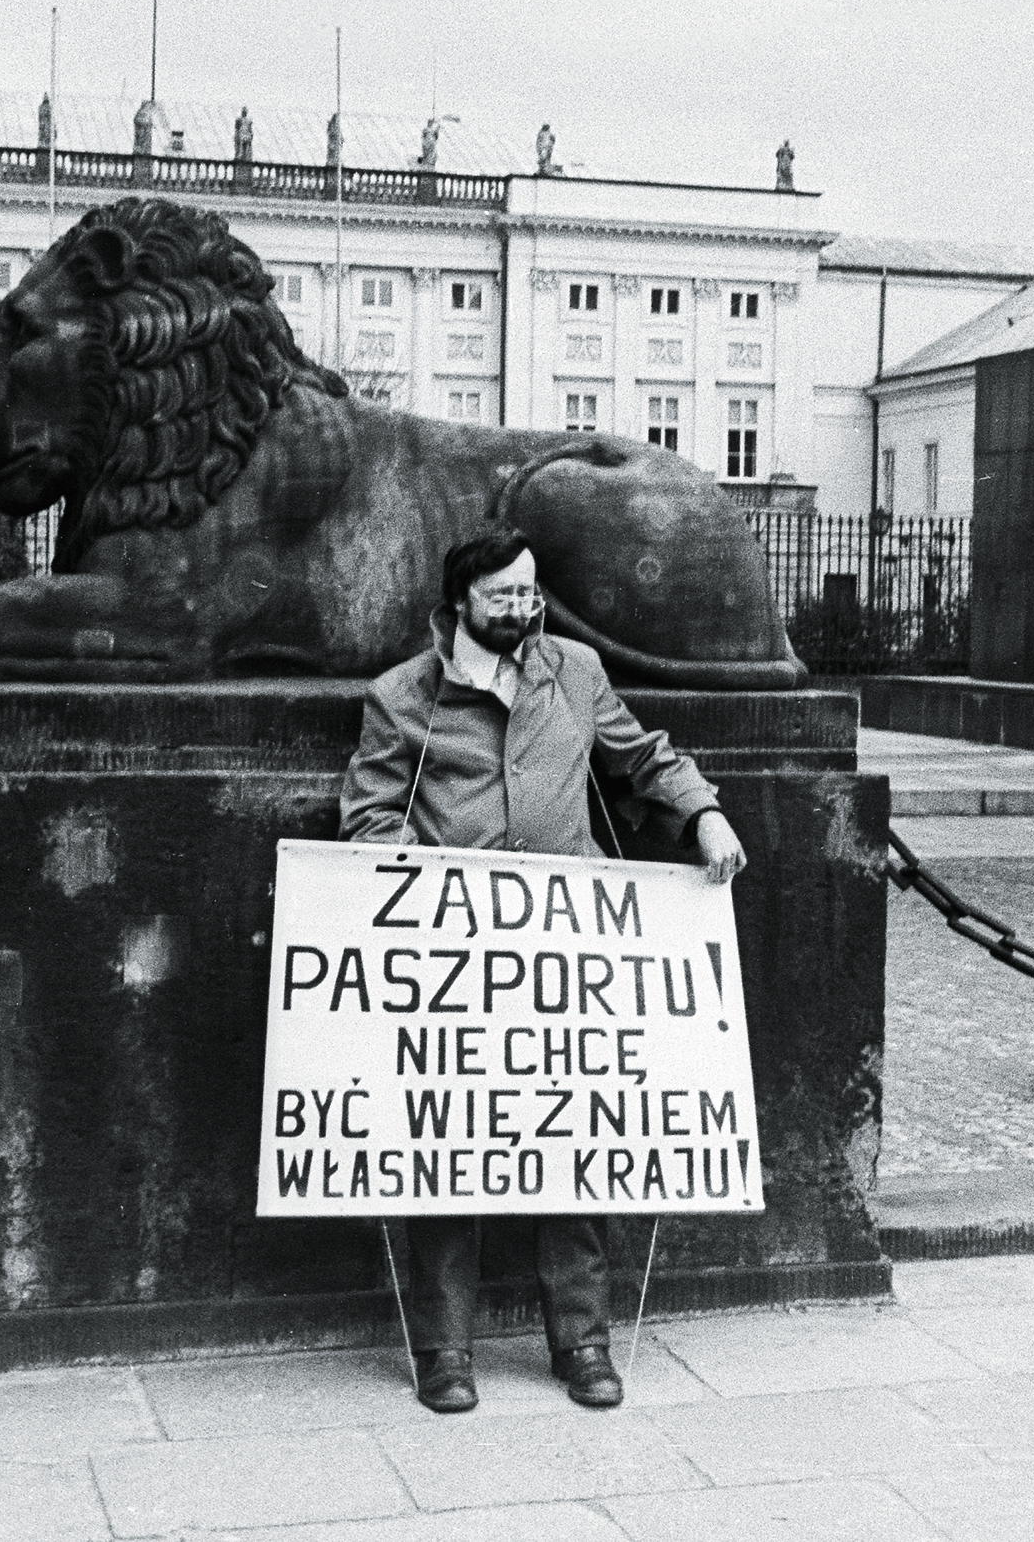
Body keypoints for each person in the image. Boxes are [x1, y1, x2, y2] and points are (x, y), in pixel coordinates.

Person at [338, 525, 746, 1414]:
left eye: (531, 595)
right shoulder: (401, 694)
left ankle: (583, 1340)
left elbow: (640, 757)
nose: (522, 612)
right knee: (444, 1150)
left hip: (568, 957)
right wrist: (438, 892)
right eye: (503, 600)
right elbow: (370, 819)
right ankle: (445, 1350)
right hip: (451, 961)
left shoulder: (575, 670)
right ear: (457, 607)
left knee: (577, 1142)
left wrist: (703, 814)